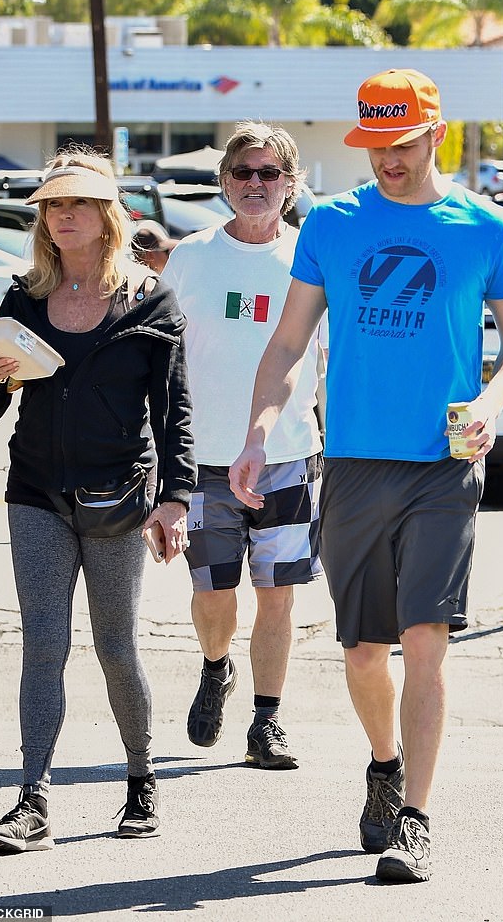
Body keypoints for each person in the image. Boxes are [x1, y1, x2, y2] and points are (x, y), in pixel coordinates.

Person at [229, 70, 503, 881]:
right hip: (357, 463)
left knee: (424, 644)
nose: (385, 162)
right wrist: (260, 429)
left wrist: (492, 399)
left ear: (436, 134)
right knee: (365, 652)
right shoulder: (333, 224)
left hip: (444, 464)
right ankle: (384, 763)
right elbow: (290, 343)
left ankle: (417, 820)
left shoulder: (483, 225)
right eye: (373, 146)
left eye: (400, 145)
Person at [0, 144, 196, 852]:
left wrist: (176, 497)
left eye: (77, 203)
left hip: (119, 495)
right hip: (35, 490)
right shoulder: (23, 297)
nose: (62, 215)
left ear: (106, 215)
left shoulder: (149, 298)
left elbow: (174, 409)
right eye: (52, 205)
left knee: (116, 647)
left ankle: (141, 778)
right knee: (43, 643)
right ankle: (31, 799)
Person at [162, 121, 326, 770]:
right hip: (203, 458)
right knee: (213, 591)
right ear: (225, 182)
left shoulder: (310, 257)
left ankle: (267, 719)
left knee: (278, 591)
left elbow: (333, 353)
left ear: (290, 184)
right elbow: (160, 354)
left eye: (269, 173)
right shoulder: (194, 255)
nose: (255, 184)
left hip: (288, 454)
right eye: (243, 173)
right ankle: (215, 665)